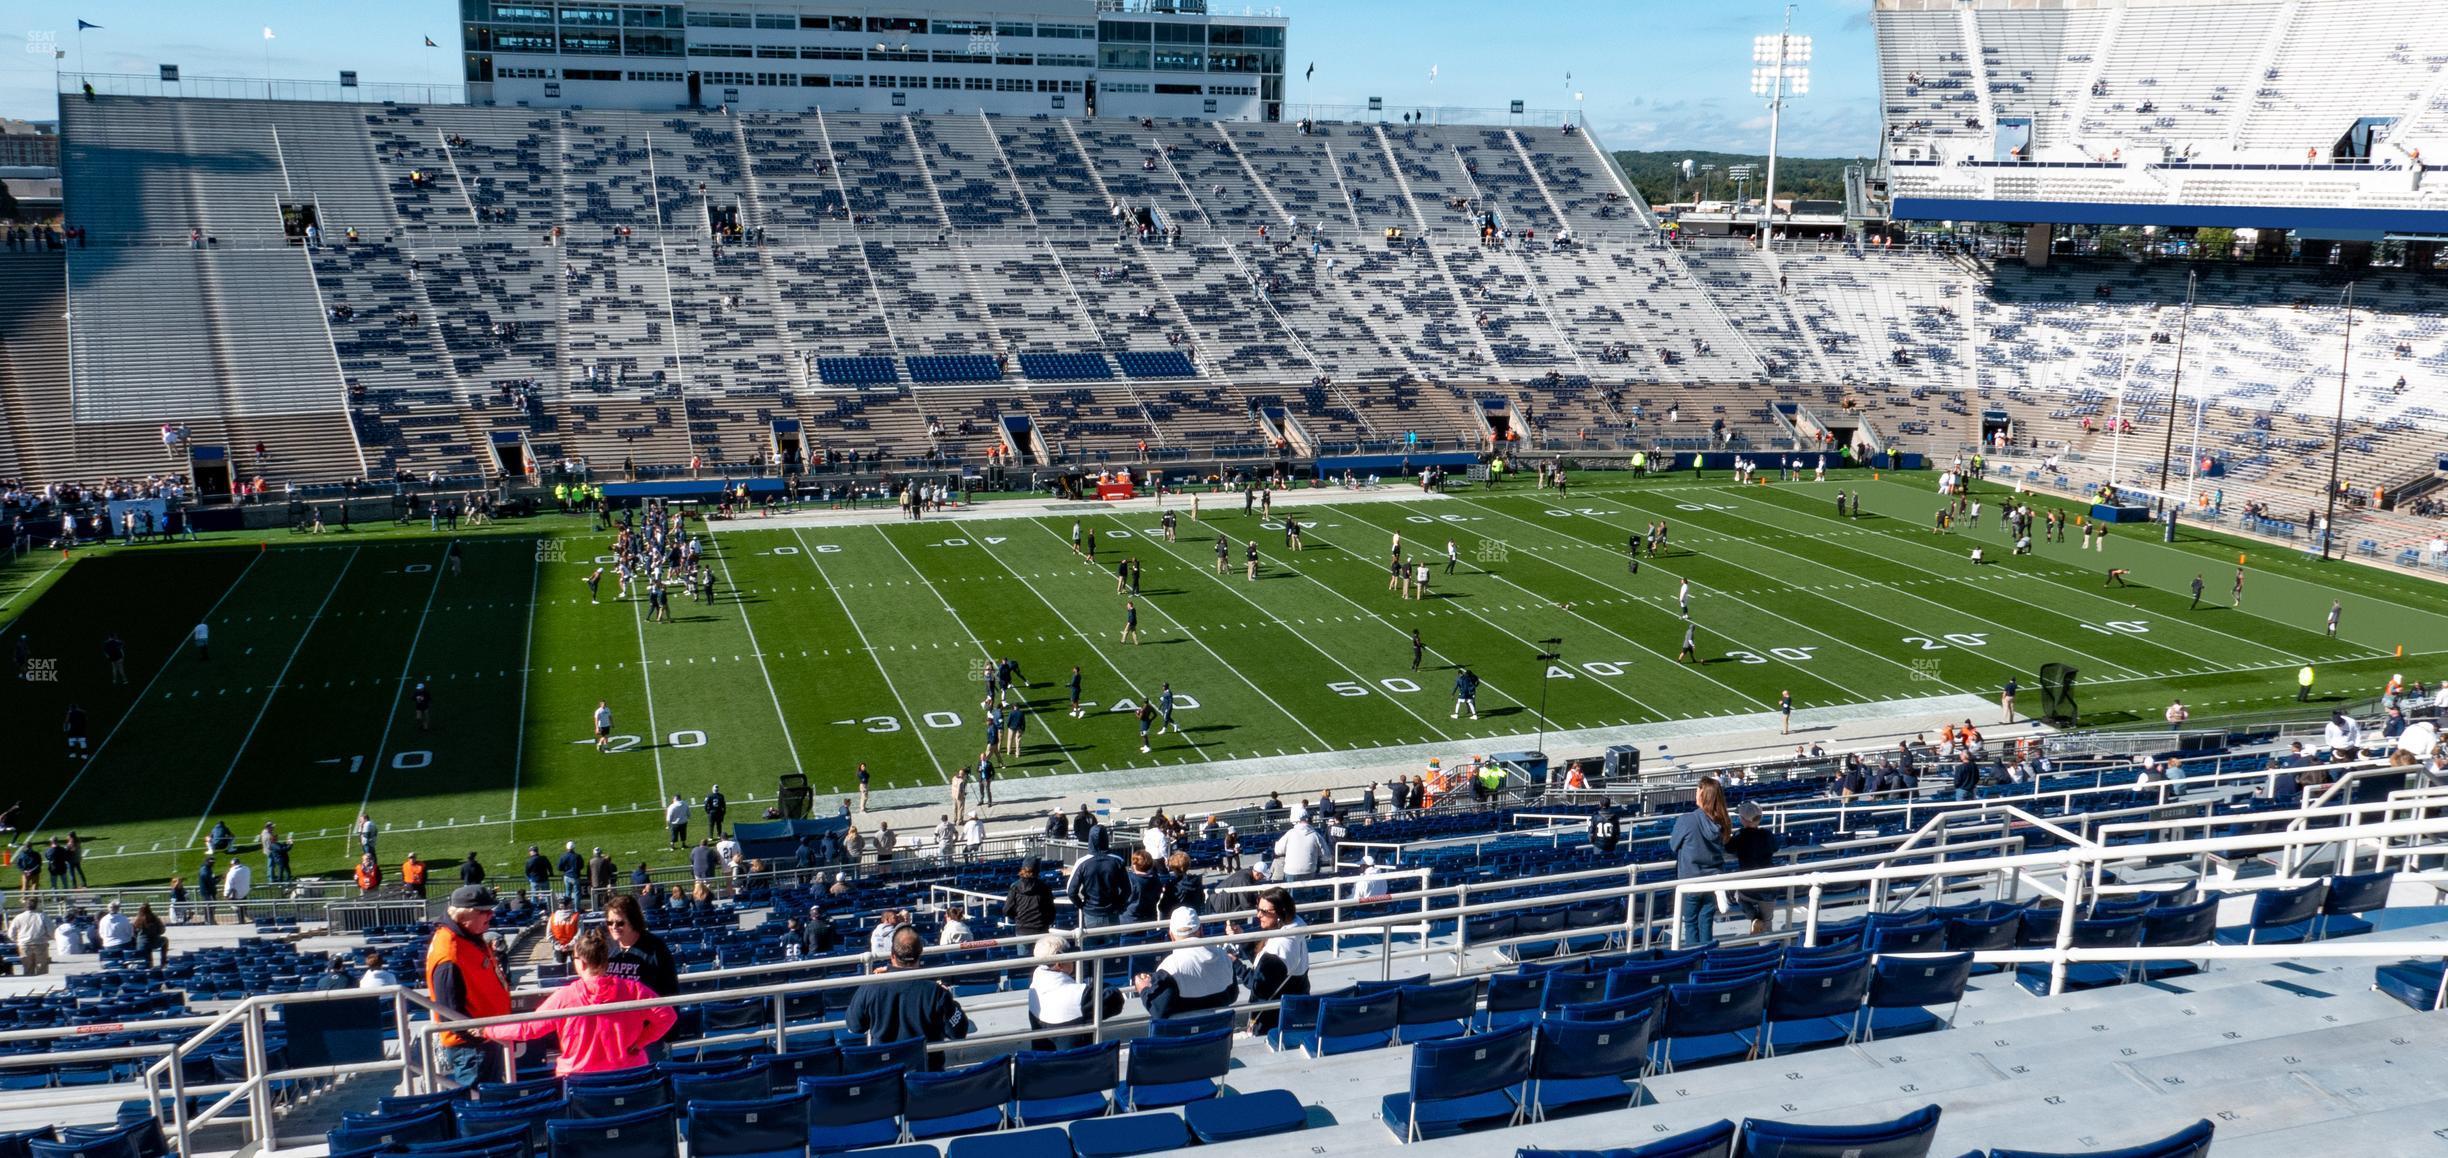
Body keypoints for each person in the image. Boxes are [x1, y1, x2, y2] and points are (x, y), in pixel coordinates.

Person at [481, 929, 676, 1076]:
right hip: (630, 1074)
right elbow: (668, 1016)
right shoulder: (634, 989)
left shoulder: (564, 997)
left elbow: (529, 1027)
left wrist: (488, 1030)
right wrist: (642, 1041)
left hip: (579, 1079)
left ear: (580, 962)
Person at [423, 885, 510, 1086]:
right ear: (463, 914)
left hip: (486, 1039)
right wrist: (480, 1038)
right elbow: (449, 1014)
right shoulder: (449, 953)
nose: (490, 915)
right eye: (483, 911)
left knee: (489, 1103)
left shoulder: (466, 935)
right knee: (478, 1108)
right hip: (473, 1049)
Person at [844, 926, 973, 1060]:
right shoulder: (936, 992)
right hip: (926, 1074)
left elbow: (854, 1026)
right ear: (920, 953)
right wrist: (950, 1001)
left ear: (892, 954)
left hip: (887, 1073)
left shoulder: (870, 987)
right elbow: (958, 1031)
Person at [1026, 933, 1127, 1051]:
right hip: (1078, 1064)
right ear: (1059, 964)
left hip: (1044, 1063)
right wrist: (1097, 984)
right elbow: (1116, 1001)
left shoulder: (1035, 985)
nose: (1074, 961)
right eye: (1070, 957)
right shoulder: (1079, 995)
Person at [1669, 778, 1730, 947]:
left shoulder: (1687, 820)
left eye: (1697, 790)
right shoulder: (1722, 821)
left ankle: (1694, 962)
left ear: (1703, 794)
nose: (1695, 793)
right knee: (1705, 920)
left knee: (1690, 922)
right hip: (1713, 880)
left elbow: (1673, 845)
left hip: (1691, 879)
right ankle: (1706, 960)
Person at [1242, 886, 1309, 1035]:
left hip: (1272, 1021)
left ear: (1281, 913)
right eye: (1258, 909)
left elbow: (1257, 985)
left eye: (1265, 911)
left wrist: (1235, 964)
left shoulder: (1279, 947)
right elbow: (1267, 968)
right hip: (1292, 1010)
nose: (1259, 915)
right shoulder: (1295, 930)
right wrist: (1243, 941)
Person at [1069, 827, 1129, 933]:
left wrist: (1083, 906)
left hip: (1091, 914)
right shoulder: (1117, 861)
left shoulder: (1082, 863)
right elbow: (1127, 889)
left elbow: (1071, 891)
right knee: (1113, 948)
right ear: (1106, 839)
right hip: (1112, 914)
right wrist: (1118, 905)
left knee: (1091, 948)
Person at [1007, 857, 1056, 935]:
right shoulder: (1044, 887)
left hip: (1022, 929)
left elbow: (1007, 909)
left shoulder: (1015, 886)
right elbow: (1051, 910)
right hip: (1041, 929)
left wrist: (1018, 918)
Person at [1272, 814, 1325, 882]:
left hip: (1291, 871)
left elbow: (1278, 851)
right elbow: (1326, 855)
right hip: (1309, 870)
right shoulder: (1315, 835)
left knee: (1290, 892)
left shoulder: (1290, 833)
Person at [10, 900, 54, 975]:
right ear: (36, 906)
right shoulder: (42, 916)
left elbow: (11, 933)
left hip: (24, 945)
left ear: (25, 907)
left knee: (27, 968)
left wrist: (17, 940)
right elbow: (51, 930)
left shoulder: (18, 917)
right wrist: (48, 938)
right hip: (40, 944)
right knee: (42, 969)